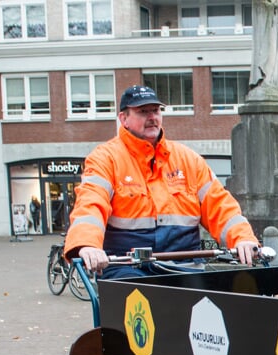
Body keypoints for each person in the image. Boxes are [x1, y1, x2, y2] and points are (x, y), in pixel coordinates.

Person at [65, 85, 259, 276]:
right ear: (123, 119)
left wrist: (242, 239)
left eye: (156, 111)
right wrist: (87, 245)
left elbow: (220, 206)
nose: (152, 117)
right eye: (143, 112)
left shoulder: (188, 159)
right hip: (127, 267)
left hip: (185, 266)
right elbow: (90, 205)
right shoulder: (105, 158)